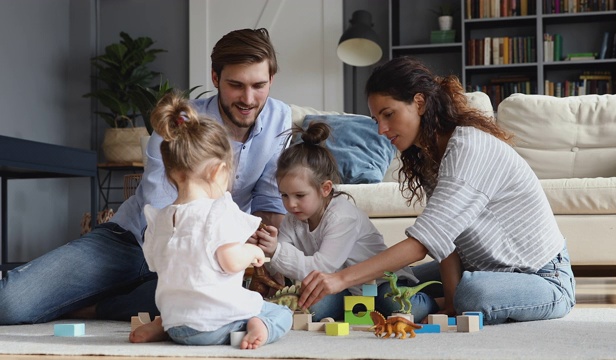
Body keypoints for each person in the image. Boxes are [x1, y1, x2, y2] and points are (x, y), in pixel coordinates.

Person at [0, 28, 290, 325]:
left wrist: (262, 258)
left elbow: (269, 202)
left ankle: (100, 306)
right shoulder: (180, 123)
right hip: (134, 240)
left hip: (208, 255)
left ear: (271, 80)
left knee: (210, 309)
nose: (248, 98)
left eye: (259, 85)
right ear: (215, 79)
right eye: (236, 85)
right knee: (10, 304)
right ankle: (122, 293)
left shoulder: (280, 118)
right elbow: (164, 212)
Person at [297, 56, 576, 325]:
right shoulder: (431, 155)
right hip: (479, 268)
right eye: (376, 120)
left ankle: (465, 296)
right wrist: (452, 306)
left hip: (542, 276)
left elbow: (424, 243)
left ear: (419, 102)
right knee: (395, 285)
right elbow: (446, 245)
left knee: (473, 295)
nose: (382, 129)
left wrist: (341, 277)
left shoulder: (468, 148)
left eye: (388, 114)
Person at [128, 93, 291, 348]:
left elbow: (158, 265)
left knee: (184, 296)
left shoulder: (160, 218)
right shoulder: (218, 212)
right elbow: (230, 261)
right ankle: (261, 326)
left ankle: (162, 325)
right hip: (212, 325)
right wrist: (251, 251)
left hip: (177, 322)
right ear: (218, 171)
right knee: (279, 312)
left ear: (171, 173)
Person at [253, 121, 439, 322]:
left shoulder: (342, 216)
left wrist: (277, 251)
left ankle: (437, 300)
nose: (291, 204)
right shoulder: (293, 220)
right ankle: (351, 310)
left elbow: (321, 267)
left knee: (396, 306)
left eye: (299, 195)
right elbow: (281, 259)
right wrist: (266, 247)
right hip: (343, 289)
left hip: (379, 282)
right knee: (311, 308)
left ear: (325, 188)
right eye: (284, 195)